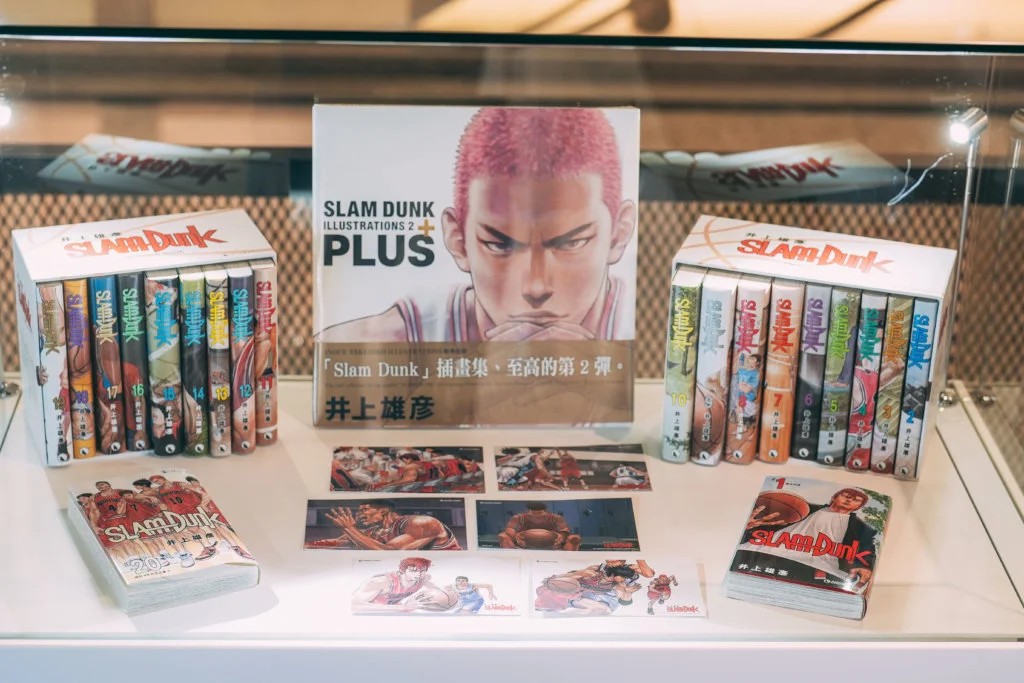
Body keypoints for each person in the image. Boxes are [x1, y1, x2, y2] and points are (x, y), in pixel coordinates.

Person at [318, 108, 637, 344]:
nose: (536, 287)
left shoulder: (635, 329)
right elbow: (327, 370)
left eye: (571, 243)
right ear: (457, 240)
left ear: (619, 234)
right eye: (501, 245)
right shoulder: (402, 337)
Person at [737, 487, 878, 586]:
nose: (849, 500)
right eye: (846, 495)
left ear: (859, 506)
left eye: (856, 499)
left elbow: (867, 549)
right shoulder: (801, 508)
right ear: (834, 497)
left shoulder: (861, 528)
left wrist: (865, 567)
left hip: (819, 568)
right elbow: (767, 522)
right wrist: (748, 527)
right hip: (770, 555)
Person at [307, 500, 462, 550]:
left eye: (364, 510)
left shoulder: (421, 522)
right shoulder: (374, 530)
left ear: (384, 511)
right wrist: (308, 545)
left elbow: (388, 552)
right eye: (358, 511)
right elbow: (337, 542)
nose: (359, 514)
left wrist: (349, 528)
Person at [536, 559, 654, 615]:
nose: (624, 580)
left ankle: (561, 618)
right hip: (567, 594)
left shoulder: (618, 584)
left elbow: (624, 602)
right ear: (614, 574)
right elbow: (571, 576)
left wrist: (628, 592)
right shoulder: (592, 573)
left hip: (583, 598)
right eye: (623, 577)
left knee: (605, 611)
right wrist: (552, 581)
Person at [351, 557, 453, 613]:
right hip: (371, 615)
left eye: (422, 571)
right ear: (402, 570)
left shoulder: (423, 578)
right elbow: (355, 606)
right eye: (413, 571)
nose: (418, 574)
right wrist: (400, 608)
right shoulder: (380, 582)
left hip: (394, 613)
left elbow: (432, 587)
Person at [498, 502, 580, 550]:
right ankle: (510, 559)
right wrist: (515, 536)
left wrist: (562, 536)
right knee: (503, 536)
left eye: (540, 513)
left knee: (575, 538)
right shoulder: (518, 517)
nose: (536, 515)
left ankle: (569, 560)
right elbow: (509, 528)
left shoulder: (555, 517)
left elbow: (565, 528)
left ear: (545, 511)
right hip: (524, 542)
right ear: (528, 511)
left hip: (552, 542)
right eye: (533, 513)